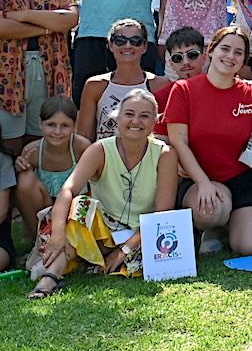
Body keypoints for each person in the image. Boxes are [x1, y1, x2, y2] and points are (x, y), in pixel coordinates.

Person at [26, 88, 179, 297]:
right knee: (80, 206)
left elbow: (162, 214)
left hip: (140, 237)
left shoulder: (165, 154)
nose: (136, 121)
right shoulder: (100, 149)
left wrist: (123, 250)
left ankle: (67, 270)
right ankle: (50, 279)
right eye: (129, 114)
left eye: (144, 116)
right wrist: (58, 233)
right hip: (100, 233)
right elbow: (68, 189)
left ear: (155, 121)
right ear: (118, 118)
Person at [163, 24, 252, 257]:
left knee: (251, 247)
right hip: (201, 179)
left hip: (247, 179)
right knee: (209, 212)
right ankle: (213, 226)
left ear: (244, 61)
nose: (230, 56)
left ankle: (228, 227)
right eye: (225, 49)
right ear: (211, 51)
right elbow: (178, 141)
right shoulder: (183, 90)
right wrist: (202, 183)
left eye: (238, 52)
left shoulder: (251, 93)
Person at [0, 0, 78, 156]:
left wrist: (24, 15)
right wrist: (48, 25)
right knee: (9, 143)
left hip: (51, 69)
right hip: (6, 73)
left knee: (41, 140)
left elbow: (70, 19)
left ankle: (35, 189)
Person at [74, 18, 160, 142]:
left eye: (136, 41)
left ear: (145, 46)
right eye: (120, 41)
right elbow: (84, 138)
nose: (128, 46)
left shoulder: (159, 85)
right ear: (110, 45)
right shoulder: (95, 85)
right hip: (104, 158)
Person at [14, 95, 86, 231]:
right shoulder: (33, 151)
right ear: (40, 123)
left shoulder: (81, 147)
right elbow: (22, 192)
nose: (57, 132)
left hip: (74, 208)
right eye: (51, 125)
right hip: (44, 207)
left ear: (74, 126)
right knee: (24, 179)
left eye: (65, 125)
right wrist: (20, 167)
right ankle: (39, 236)